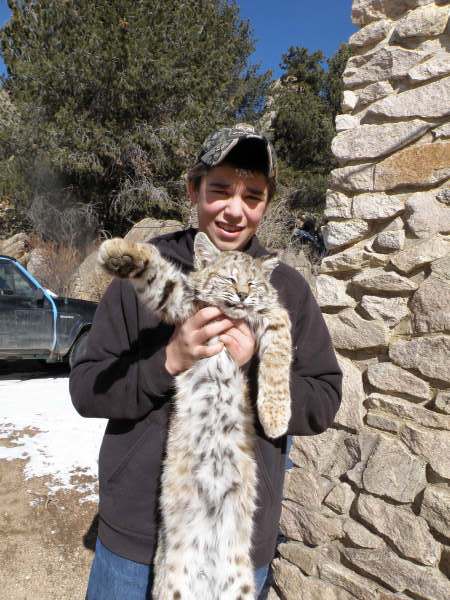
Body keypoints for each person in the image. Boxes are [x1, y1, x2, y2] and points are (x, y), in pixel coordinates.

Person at [70, 123, 342, 600]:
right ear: (194, 188)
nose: (235, 210)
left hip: (234, 539)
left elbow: (324, 399)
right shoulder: (148, 275)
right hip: (134, 536)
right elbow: (86, 388)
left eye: (253, 196)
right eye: (220, 189)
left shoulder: (287, 289)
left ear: (265, 204)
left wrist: (257, 367)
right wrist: (168, 360)